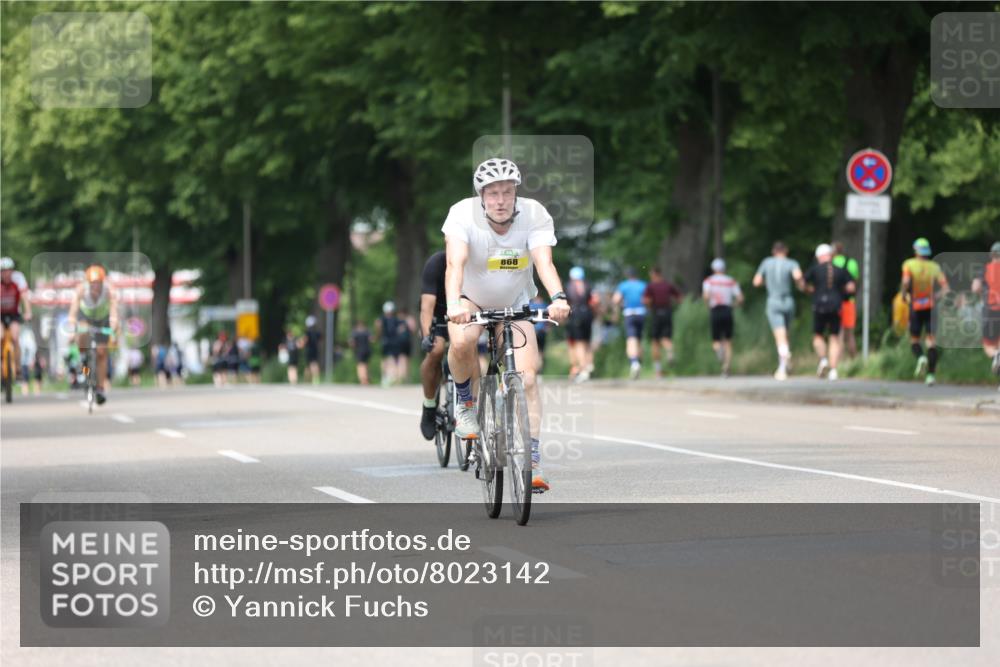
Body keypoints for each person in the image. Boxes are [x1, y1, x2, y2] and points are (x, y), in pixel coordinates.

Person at [443, 158, 570, 492]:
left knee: (528, 378)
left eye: (507, 192)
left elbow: (544, 262)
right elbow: (454, 264)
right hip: (469, 299)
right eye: (493, 193)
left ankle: (532, 459)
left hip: (515, 303)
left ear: (516, 193)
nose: (500, 200)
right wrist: (455, 304)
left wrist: (558, 297)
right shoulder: (461, 214)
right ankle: (465, 403)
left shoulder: (535, 215)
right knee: (460, 342)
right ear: (481, 196)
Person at [67, 265, 118, 404]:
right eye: (92, 284)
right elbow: (72, 313)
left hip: (103, 320)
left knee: (102, 352)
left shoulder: (109, 291)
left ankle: (100, 388)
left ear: (102, 283)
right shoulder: (81, 290)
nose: (95, 287)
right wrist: (72, 329)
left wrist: (113, 329)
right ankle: (83, 359)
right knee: (82, 330)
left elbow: (114, 312)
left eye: (98, 284)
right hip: (86, 317)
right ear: (88, 283)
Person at [901, 237, 949, 386]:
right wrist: (936, 296)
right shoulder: (934, 267)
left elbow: (906, 282)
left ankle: (921, 357)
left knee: (915, 339)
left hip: (915, 305)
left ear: (916, 250)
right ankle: (930, 376)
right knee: (931, 342)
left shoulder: (909, 264)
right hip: (931, 306)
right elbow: (946, 288)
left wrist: (903, 294)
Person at [753, 241, 804, 380]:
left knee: (779, 336)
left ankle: (782, 366)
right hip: (788, 300)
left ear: (773, 251)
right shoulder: (791, 263)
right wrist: (801, 285)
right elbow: (798, 276)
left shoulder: (767, 262)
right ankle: (785, 361)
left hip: (773, 300)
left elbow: (756, 281)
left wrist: (767, 282)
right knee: (785, 333)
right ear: (785, 251)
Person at [804, 244, 855, 382]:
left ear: (819, 256)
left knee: (818, 336)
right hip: (836, 306)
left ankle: (824, 360)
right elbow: (851, 287)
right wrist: (841, 291)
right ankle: (833, 370)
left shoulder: (815, 269)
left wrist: (810, 290)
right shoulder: (841, 270)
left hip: (819, 305)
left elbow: (803, 283)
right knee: (834, 338)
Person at [418, 250, 449, 440]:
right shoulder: (436, 263)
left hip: (465, 313)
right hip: (437, 314)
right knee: (436, 350)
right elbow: (426, 307)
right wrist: (427, 334)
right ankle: (429, 406)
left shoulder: (476, 260)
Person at [702, 258, 744, 377]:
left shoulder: (708, 281)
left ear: (713, 269)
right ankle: (726, 368)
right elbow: (741, 298)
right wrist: (734, 306)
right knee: (728, 341)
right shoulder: (731, 281)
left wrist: (708, 305)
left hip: (715, 310)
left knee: (716, 340)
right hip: (727, 310)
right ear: (724, 268)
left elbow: (706, 296)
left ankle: (719, 352)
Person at [644, 266, 683, 377]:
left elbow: (646, 300)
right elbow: (680, 298)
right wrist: (674, 306)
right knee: (666, 338)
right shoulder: (668, 285)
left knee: (655, 342)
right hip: (668, 313)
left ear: (654, 274)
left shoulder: (650, 286)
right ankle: (670, 350)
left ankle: (658, 371)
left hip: (656, 313)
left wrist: (649, 306)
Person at [971, 241, 1000, 379]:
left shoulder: (985, 269)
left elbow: (975, 288)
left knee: (988, 344)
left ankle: (996, 355)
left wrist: (983, 294)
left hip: (990, 310)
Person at [1, 257, 32, 381]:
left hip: (14, 313)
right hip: (0, 314)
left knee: (15, 337)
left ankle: (18, 368)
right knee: (0, 336)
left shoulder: (18, 278)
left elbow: (24, 296)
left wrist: (28, 312)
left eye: (9, 271)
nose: (6, 274)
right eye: (3, 271)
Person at [614, 267, 648, 379]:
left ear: (628, 275)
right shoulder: (643, 285)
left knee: (631, 339)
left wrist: (619, 308)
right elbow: (646, 300)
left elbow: (616, 300)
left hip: (629, 314)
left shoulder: (624, 285)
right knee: (639, 339)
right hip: (642, 313)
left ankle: (634, 363)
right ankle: (639, 362)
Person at [565, 266, 597, 382]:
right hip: (588, 315)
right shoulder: (588, 285)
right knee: (587, 341)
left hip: (575, 315)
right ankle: (589, 364)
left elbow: (566, 303)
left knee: (578, 343)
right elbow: (595, 301)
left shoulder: (569, 286)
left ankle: (582, 369)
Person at [832, 241, 860, 359]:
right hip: (850, 302)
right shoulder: (852, 262)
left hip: (835, 301)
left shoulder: (831, 263)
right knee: (850, 335)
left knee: (838, 334)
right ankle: (854, 361)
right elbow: (856, 280)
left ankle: (839, 363)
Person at [375, 301, 402, 386]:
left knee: (389, 359)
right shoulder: (394, 319)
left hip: (389, 341)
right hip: (391, 341)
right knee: (390, 359)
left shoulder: (383, 318)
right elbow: (401, 328)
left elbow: (378, 326)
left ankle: (391, 377)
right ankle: (389, 377)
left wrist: (378, 336)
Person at [529, 294, 549, 373]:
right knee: (541, 352)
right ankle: (539, 372)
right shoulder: (544, 305)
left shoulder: (530, 305)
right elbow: (548, 318)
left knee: (532, 352)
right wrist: (547, 328)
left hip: (533, 331)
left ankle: (533, 371)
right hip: (542, 331)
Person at [19, 325, 41, 395]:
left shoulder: (28, 335)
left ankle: (36, 392)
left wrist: (32, 358)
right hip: (23, 359)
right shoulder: (21, 337)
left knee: (36, 374)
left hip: (29, 357)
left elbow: (32, 347)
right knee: (25, 375)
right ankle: (25, 392)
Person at [350, 320, 372, 385]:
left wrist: (353, 348)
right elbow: (371, 340)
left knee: (360, 365)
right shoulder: (367, 331)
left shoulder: (355, 332)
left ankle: (363, 379)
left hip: (359, 350)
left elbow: (352, 342)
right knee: (366, 365)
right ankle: (367, 379)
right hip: (367, 350)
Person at [302, 316, 321, 384]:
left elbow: (305, 341)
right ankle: (315, 379)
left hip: (308, 350)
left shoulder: (307, 332)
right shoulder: (317, 332)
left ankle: (307, 380)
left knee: (308, 365)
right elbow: (320, 340)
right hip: (315, 349)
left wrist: (302, 344)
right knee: (315, 364)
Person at [397, 309, 415, 383]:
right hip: (401, 342)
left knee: (405, 359)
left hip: (405, 342)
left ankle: (405, 377)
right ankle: (402, 376)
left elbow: (412, 329)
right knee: (402, 359)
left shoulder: (407, 320)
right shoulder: (399, 321)